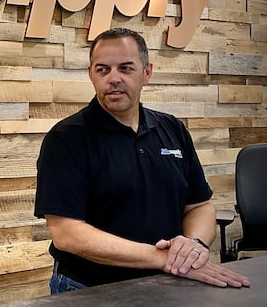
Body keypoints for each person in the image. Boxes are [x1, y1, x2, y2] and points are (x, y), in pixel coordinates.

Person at [34, 27, 251, 293]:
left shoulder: (172, 129)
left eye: (126, 68)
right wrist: (162, 257)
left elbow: (200, 206)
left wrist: (192, 246)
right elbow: (67, 233)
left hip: (170, 282)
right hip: (90, 288)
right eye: (103, 69)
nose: (113, 79)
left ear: (147, 72)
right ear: (91, 75)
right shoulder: (66, 139)